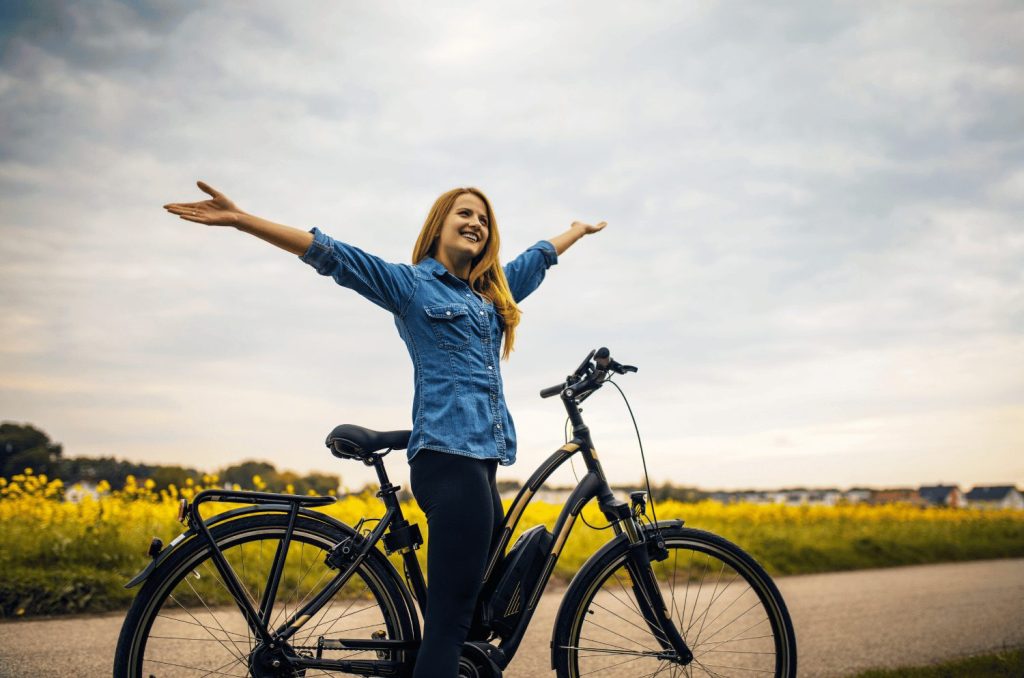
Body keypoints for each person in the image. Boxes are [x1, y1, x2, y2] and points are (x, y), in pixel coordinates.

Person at [162, 180, 606, 678]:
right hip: (448, 463)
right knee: (450, 625)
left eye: (484, 219)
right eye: (464, 213)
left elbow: (537, 258)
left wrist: (576, 231)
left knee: (469, 618)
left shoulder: (491, 297)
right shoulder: (411, 285)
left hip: (480, 467)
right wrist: (243, 219)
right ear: (439, 225)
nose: (476, 223)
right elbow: (332, 255)